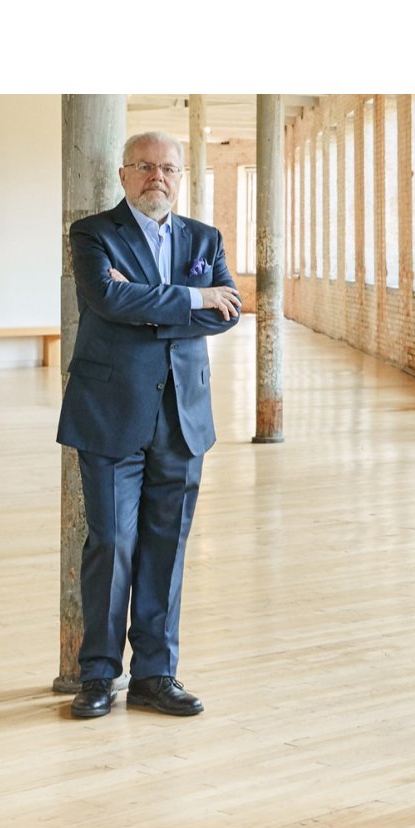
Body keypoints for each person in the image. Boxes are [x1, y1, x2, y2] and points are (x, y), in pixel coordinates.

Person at [58, 131, 241, 719]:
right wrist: (193, 299)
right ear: (123, 174)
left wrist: (146, 301)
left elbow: (228, 312)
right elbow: (106, 301)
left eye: (167, 168)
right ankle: (98, 676)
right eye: (144, 167)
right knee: (111, 544)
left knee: (168, 545)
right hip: (111, 414)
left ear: (181, 176)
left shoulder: (203, 239)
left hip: (183, 420)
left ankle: (156, 674)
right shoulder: (93, 234)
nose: (155, 177)